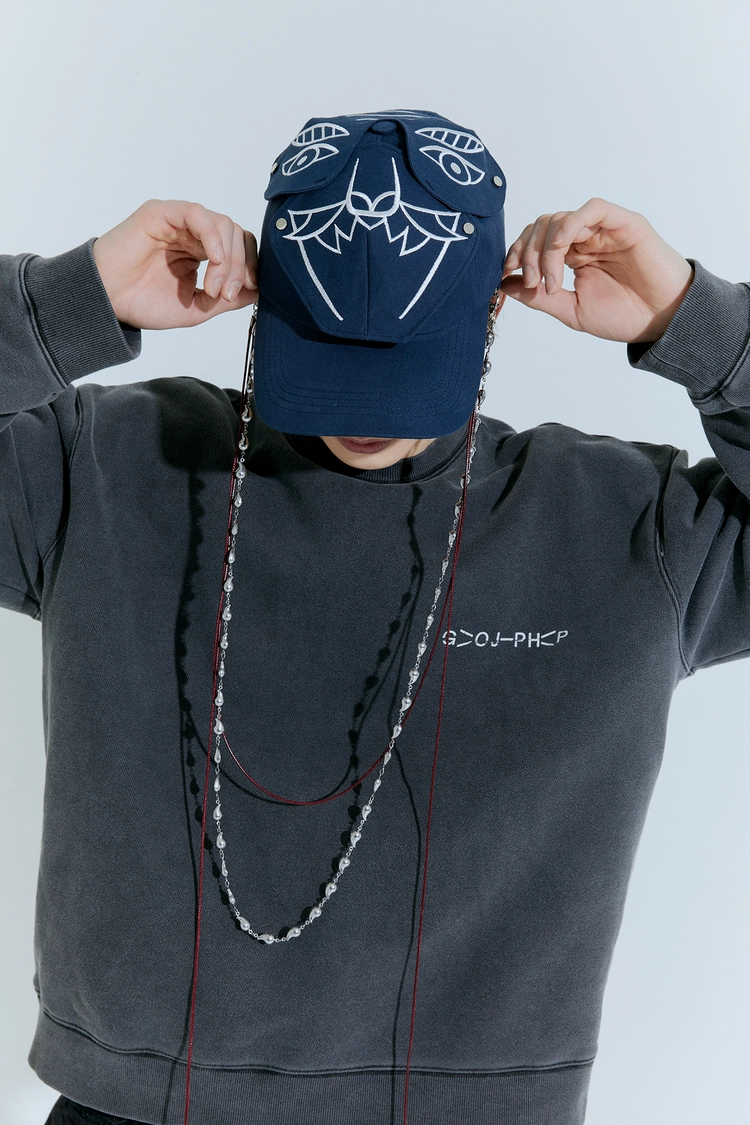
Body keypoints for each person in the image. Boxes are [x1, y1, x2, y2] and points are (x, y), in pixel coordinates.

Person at [0, 109, 747, 1125]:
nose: (367, 413)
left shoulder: (621, 524)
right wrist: (67, 300)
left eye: (404, 365)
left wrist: (698, 325)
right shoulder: (104, 467)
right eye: (332, 357)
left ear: (490, 311)